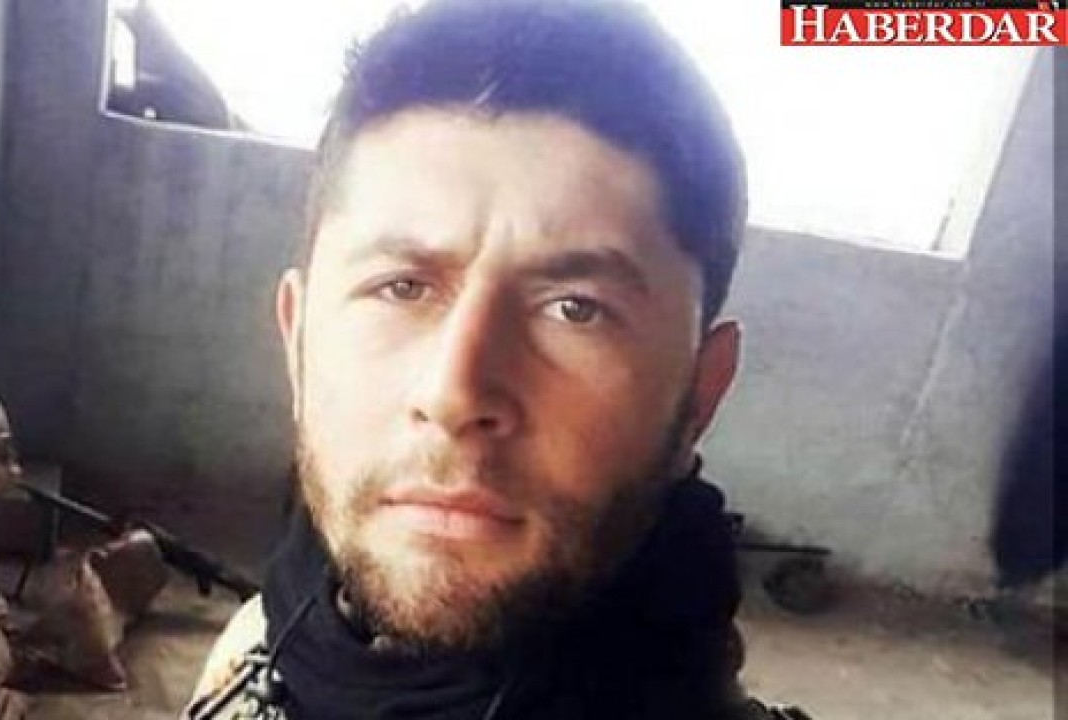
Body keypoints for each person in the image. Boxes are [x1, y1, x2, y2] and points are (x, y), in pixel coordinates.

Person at [190, 1, 806, 717]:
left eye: (576, 309)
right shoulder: (254, 652)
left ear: (701, 390)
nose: (453, 393)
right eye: (402, 287)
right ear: (297, 340)